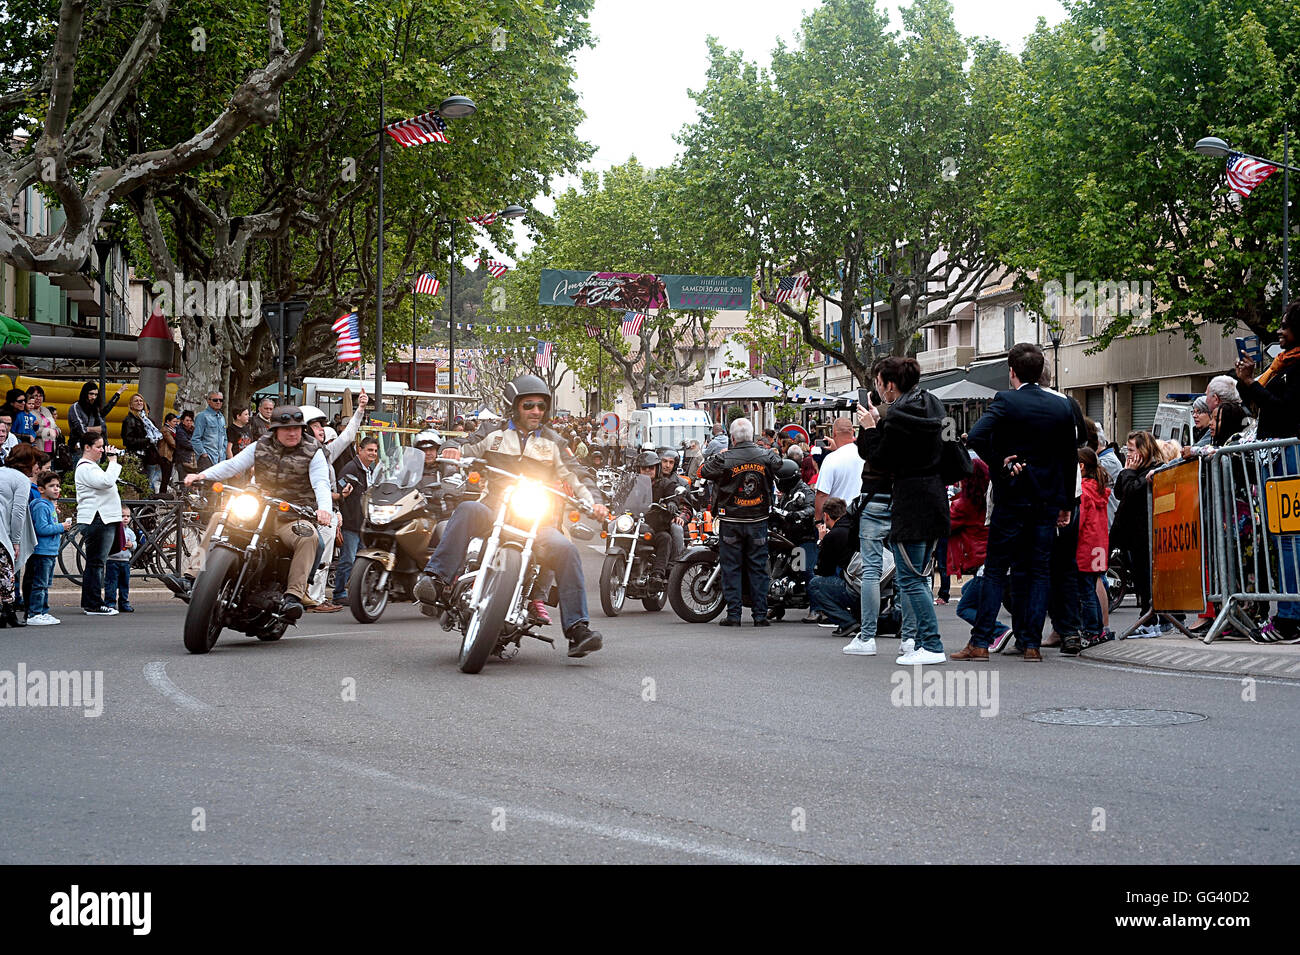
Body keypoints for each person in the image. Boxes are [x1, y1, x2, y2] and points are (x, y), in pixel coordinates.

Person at [412, 375, 611, 657]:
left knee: (567, 549)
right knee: (467, 509)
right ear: (514, 406)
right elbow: (465, 444)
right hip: (494, 510)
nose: (536, 411)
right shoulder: (492, 431)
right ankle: (435, 578)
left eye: (541, 406)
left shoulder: (554, 442)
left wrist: (596, 503)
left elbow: (578, 475)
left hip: (535, 519)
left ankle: (578, 629)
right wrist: (451, 449)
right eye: (529, 405)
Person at [958, 343, 1079, 662]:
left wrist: (1001, 463)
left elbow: (976, 436)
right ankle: (1031, 644)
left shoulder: (1007, 400)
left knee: (996, 569)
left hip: (1012, 496)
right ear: (1041, 372)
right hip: (1047, 499)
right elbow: (1069, 457)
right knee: (1038, 571)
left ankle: (981, 641)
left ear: (1011, 371)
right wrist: (1066, 501)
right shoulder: (1063, 406)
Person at [184, 406, 334, 621]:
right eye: (286, 429)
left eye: (297, 428)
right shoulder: (260, 445)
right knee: (219, 518)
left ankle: (293, 596)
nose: (292, 433)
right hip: (257, 510)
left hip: (291, 514)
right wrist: (201, 475)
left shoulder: (314, 450)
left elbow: (321, 482)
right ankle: (191, 576)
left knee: (308, 537)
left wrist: (324, 510)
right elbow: (233, 464)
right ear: (274, 430)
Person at [856, 356, 950, 665]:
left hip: (910, 499)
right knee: (920, 575)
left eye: (879, 384)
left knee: (910, 578)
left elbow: (881, 459)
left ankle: (932, 644)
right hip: (935, 495)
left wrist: (871, 428)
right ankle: (918, 640)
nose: (878, 389)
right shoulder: (933, 405)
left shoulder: (896, 417)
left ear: (890, 385)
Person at [699, 417, 782, 627]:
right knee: (758, 567)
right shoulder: (765, 455)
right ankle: (760, 615)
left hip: (731, 520)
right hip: (757, 519)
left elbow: (704, 471)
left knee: (731, 568)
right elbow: (780, 465)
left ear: (732, 438)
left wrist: (720, 457)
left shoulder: (725, 458)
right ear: (752, 436)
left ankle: (734, 615)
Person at [301, 395, 369, 611]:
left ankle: (316, 597)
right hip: (301, 513)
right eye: (315, 425)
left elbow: (348, 436)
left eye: (322, 425)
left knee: (323, 557)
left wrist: (360, 409)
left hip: (323, 514)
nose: (321, 429)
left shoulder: (323, 454)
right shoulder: (287, 452)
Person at [1112, 430, 1161, 619]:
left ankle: (1151, 619)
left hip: (1147, 533)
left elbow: (1132, 491)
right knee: (1139, 576)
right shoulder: (1131, 470)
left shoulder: (1155, 468)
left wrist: (1129, 473)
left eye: (1131, 450)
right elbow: (1119, 492)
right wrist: (1127, 471)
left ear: (1144, 450)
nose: (1128, 454)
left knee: (1146, 577)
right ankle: (1147, 617)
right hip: (1131, 533)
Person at [74, 434, 124, 615]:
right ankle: (93, 604)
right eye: (99, 446)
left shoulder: (91, 467)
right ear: (87, 447)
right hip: (97, 519)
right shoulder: (86, 468)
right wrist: (113, 461)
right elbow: (106, 481)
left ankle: (92, 602)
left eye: (103, 446)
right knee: (96, 564)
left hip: (101, 519)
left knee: (96, 563)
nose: (103, 450)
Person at [333, 436, 379, 607]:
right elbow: (340, 492)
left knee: (363, 561)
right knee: (348, 559)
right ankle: (338, 593)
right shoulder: (351, 468)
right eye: (369, 450)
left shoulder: (369, 470)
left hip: (364, 525)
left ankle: (361, 594)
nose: (372, 453)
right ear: (360, 450)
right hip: (351, 523)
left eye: (375, 450)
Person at [1075, 447, 1112, 649]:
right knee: (1092, 587)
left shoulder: (1084, 491)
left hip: (1085, 547)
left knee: (1086, 593)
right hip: (1099, 546)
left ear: (1081, 467)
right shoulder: (1098, 489)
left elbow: (1079, 521)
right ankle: (1098, 629)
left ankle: (1092, 630)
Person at [807, 497, 859, 635]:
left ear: (826, 516)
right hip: (868, 582)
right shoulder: (855, 528)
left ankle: (847, 621)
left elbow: (824, 570)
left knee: (815, 584)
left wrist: (821, 542)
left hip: (853, 587)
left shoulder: (834, 535)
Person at [25, 469, 70, 626]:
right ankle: (35, 613)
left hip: (49, 551)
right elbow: (42, 528)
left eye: (58, 485)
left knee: (45, 584)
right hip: (42, 551)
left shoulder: (48, 505)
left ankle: (43, 611)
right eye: (52, 486)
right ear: (41, 489)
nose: (56, 489)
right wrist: (61, 526)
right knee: (40, 584)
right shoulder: (40, 506)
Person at [813, 417, 863, 522]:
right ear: (853, 432)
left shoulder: (831, 459)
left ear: (834, 433)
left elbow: (822, 494)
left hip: (837, 518)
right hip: (861, 515)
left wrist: (818, 520)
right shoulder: (864, 455)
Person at [121, 393, 165, 491]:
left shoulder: (147, 420)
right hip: (137, 457)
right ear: (131, 405)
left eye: (141, 401)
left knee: (148, 484)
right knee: (139, 485)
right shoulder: (129, 420)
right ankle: (140, 505)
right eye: (136, 401)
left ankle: (146, 504)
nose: (139, 403)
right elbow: (128, 440)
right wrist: (147, 440)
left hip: (149, 456)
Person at [67, 381, 126, 449]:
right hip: (79, 447)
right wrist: (97, 429)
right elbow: (81, 430)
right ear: (85, 394)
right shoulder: (75, 407)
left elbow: (104, 422)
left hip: (95, 447)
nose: (94, 397)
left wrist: (117, 394)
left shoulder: (94, 408)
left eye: (96, 394)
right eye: (91, 394)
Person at [104, 505, 136, 613]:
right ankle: (110, 603)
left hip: (125, 562)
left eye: (128, 516)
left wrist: (132, 545)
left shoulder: (130, 532)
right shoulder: (113, 530)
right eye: (123, 516)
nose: (126, 518)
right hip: (112, 560)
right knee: (111, 584)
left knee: (124, 584)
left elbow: (135, 544)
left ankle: (124, 603)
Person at [192, 390, 228, 468]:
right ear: (208, 401)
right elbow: (195, 439)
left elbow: (224, 438)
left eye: (221, 400)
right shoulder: (202, 416)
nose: (218, 402)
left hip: (220, 460)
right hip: (207, 459)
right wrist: (204, 454)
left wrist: (224, 454)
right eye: (215, 400)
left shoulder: (222, 418)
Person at [26, 386, 60, 455]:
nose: (38, 398)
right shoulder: (28, 412)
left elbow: (55, 426)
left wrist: (56, 431)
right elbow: (32, 430)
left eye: (40, 396)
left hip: (51, 448)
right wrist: (48, 431)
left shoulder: (46, 410)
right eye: (35, 396)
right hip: (37, 449)